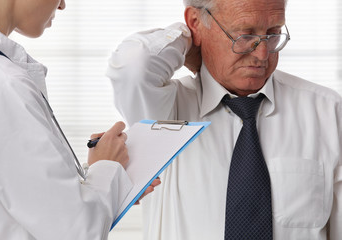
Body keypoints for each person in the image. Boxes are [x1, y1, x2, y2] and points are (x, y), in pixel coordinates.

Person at [107, 0, 342, 239]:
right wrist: (189, 41)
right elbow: (134, 65)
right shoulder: (165, 114)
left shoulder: (327, 112)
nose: (262, 54)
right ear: (196, 22)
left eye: (273, 34)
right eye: (244, 35)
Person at [0, 0, 160, 239]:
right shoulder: (1, 87)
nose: (62, 5)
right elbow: (77, 230)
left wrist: (109, 183)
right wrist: (107, 168)